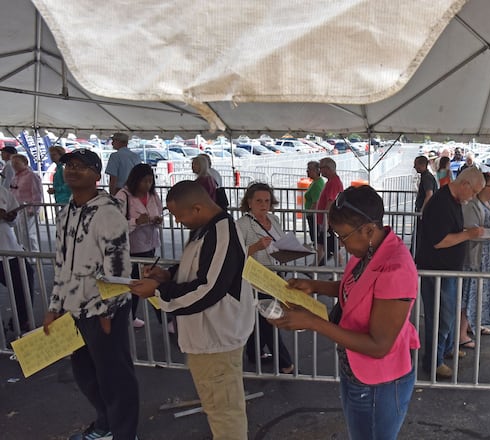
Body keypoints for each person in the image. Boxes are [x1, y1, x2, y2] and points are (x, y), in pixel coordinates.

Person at [271, 185, 419, 440]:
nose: (340, 243)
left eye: (342, 236)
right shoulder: (369, 250)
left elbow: (379, 346)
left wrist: (313, 322)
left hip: (378, 383)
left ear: (369, 229)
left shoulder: (395, 268)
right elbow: (358, 289)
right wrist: (316, 286)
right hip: (355, 370)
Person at [129, 180, 255, 440]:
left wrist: (158, 291)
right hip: (206, 339)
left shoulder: (222, 232)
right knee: (218, 408)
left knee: (224, 411)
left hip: (216, 339)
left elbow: (209, 288)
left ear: (197, 208)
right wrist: (166, 275)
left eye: (179, 215)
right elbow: (199, 271)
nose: (178, 221)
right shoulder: (206, 231)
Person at [42, 149, 139, 440]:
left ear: (97, 176)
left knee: (115, 377)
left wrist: (109, 310)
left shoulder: (107, 213)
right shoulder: (65, 213)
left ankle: (125, 433)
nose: (72, 170)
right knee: (85, 374)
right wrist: (54, 306)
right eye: (69, 166)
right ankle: (105, 424)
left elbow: (118, 265)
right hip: (73, 309)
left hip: (103, 310)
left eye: (81, 167)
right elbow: (61, 264)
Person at [416, 167, 485, 379]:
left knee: (448, 315)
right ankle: (433, 361)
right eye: (473, 192)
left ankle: (444, 350)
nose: (473, 197)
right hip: (437, 270)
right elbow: (440, 241)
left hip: (447, 269)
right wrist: (468, 234)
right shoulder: (440, 203)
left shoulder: (452, 200)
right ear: (464, 185)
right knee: (440, 317)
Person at [235, 182, 295, 373]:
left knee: (260, 318)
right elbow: (234, 254)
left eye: (267, 201)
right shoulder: (242, 224)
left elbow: (281, 242)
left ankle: (254, 353)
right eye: (259, 201)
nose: (263, 205)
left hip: (274, 274)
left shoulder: (274, 219)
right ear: (249, 203)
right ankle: (285, 363)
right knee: (270, 318)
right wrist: (255, 248)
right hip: (255, 279)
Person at [458, 172, 490, 347]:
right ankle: (461, 333)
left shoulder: (489, 204)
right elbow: (471, 233)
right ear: (481, 188)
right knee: (470, 296)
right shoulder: (473, 205)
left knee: (480, 295)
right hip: (478, 260)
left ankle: (475, 324)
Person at [114, 163, 164, 329]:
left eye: (150, 181)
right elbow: (116, 225)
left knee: (147, 282)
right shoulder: (123, 196)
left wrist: (157, 220)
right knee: (139, 284)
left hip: (150, 245)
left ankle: (138, 316)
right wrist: (136, 222)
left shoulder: (153, 195)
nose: (147, 185)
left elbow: (158, 212)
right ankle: (160, 318)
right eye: (144, 181)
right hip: (132, 249)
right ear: (136, 180)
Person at [0, 184, 35, 334]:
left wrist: (11, 216)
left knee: (24, 281)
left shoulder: (2, 191)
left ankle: (22, 321)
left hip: (9, 247)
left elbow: (13, 216)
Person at [9, 154, 43, 252]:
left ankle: (33, 254)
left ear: (25, 163)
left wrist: (33, 208)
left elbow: (37, 193)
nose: (14, 165)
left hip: (27, 208)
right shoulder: (15, 176)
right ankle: (24, 253)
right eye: (13, 163)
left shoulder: (32, 176)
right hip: (16, 208)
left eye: (17, 163)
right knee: (18, 232)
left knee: (28, 233)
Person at [315, 157, 344, 266]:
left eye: (321, 168)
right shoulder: (332, 181)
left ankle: (339, 269)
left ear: (327, 168)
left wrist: (326, 222)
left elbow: (330, 203)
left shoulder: (333, 183)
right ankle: (316, 265)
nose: (320, 171)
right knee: (321, 244)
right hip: (327, 220)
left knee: (332, 246)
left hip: (329, 221)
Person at [303, 161, 325, 246]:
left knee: (316, 239)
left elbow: (316, 202)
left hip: (313, 215)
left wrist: (309, 213)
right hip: (313, 215)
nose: (307, 171)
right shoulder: (315, 182)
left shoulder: (317, 184)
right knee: (316, 240)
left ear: (316, 171)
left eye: (309, 169)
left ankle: (319, 258)